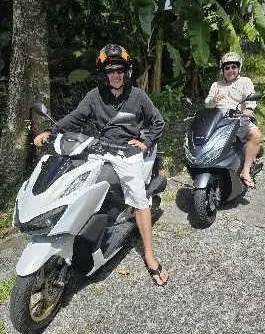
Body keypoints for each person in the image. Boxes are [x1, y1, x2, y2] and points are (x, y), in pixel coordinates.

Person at [34, 44, 168, 286]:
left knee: (139, 199)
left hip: (127, 154)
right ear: (104, 73)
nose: (115, 75)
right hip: (98, 149)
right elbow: (76, 117)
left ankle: (150, 255)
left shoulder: (138, 96)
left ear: (126, 72)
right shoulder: (95, 96)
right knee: (75, 183)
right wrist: (51, 132)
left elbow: (158, 122)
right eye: (110, 70)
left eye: (119, 70)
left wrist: (145, 143)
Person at [204, 51, 262, 189]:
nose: (230, 70)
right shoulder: (216, 85)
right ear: (223, 70)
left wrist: (249, 109)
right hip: (219, 123)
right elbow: (207, 103)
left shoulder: (245, 81)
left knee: (256, 135)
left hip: (240, 121)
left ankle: (246, 171)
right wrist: (213, 100)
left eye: (233, 67)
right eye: (227, 67)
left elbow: (251, 96)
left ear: (238, 68)